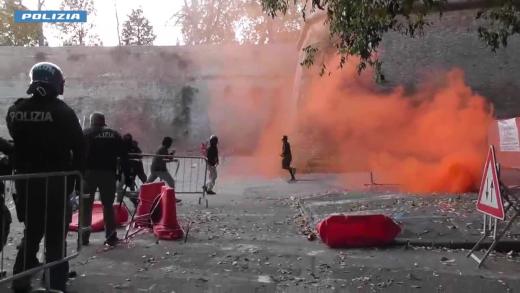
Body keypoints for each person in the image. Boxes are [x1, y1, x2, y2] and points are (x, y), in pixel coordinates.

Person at [6, 62, 85, 293]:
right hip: (56, 183)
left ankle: (20, 282)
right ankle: (56, 283)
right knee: (55, 236)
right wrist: (78, 180)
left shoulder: (16, 110)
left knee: (31, 233)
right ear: (54, 83)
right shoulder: (63, 111)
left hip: (27, 183)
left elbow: (17, 141)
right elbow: (79, 147)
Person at [83, 112, 128, 247]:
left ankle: (84, 238)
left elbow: (77, 153)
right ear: (103, 122)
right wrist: (125, 173)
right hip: (108, 174)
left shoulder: (85, 133)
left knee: (86, 207)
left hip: (88, 174)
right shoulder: (114, 134)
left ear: (92, 122)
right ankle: (110, 236)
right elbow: (124, 154)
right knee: (108, 206)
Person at [146, 137, 181, 202]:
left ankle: (140, 192)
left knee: (148, 182)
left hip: (156, 168)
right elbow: (166, 158)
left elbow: (166, 158)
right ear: (168, 143)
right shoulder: (163, 149)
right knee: (171, 182)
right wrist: (172, 156)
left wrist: (171, 156)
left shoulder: (162, 148)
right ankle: (172, 197)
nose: (170, 145)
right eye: (170, 143)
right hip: (159, 169)